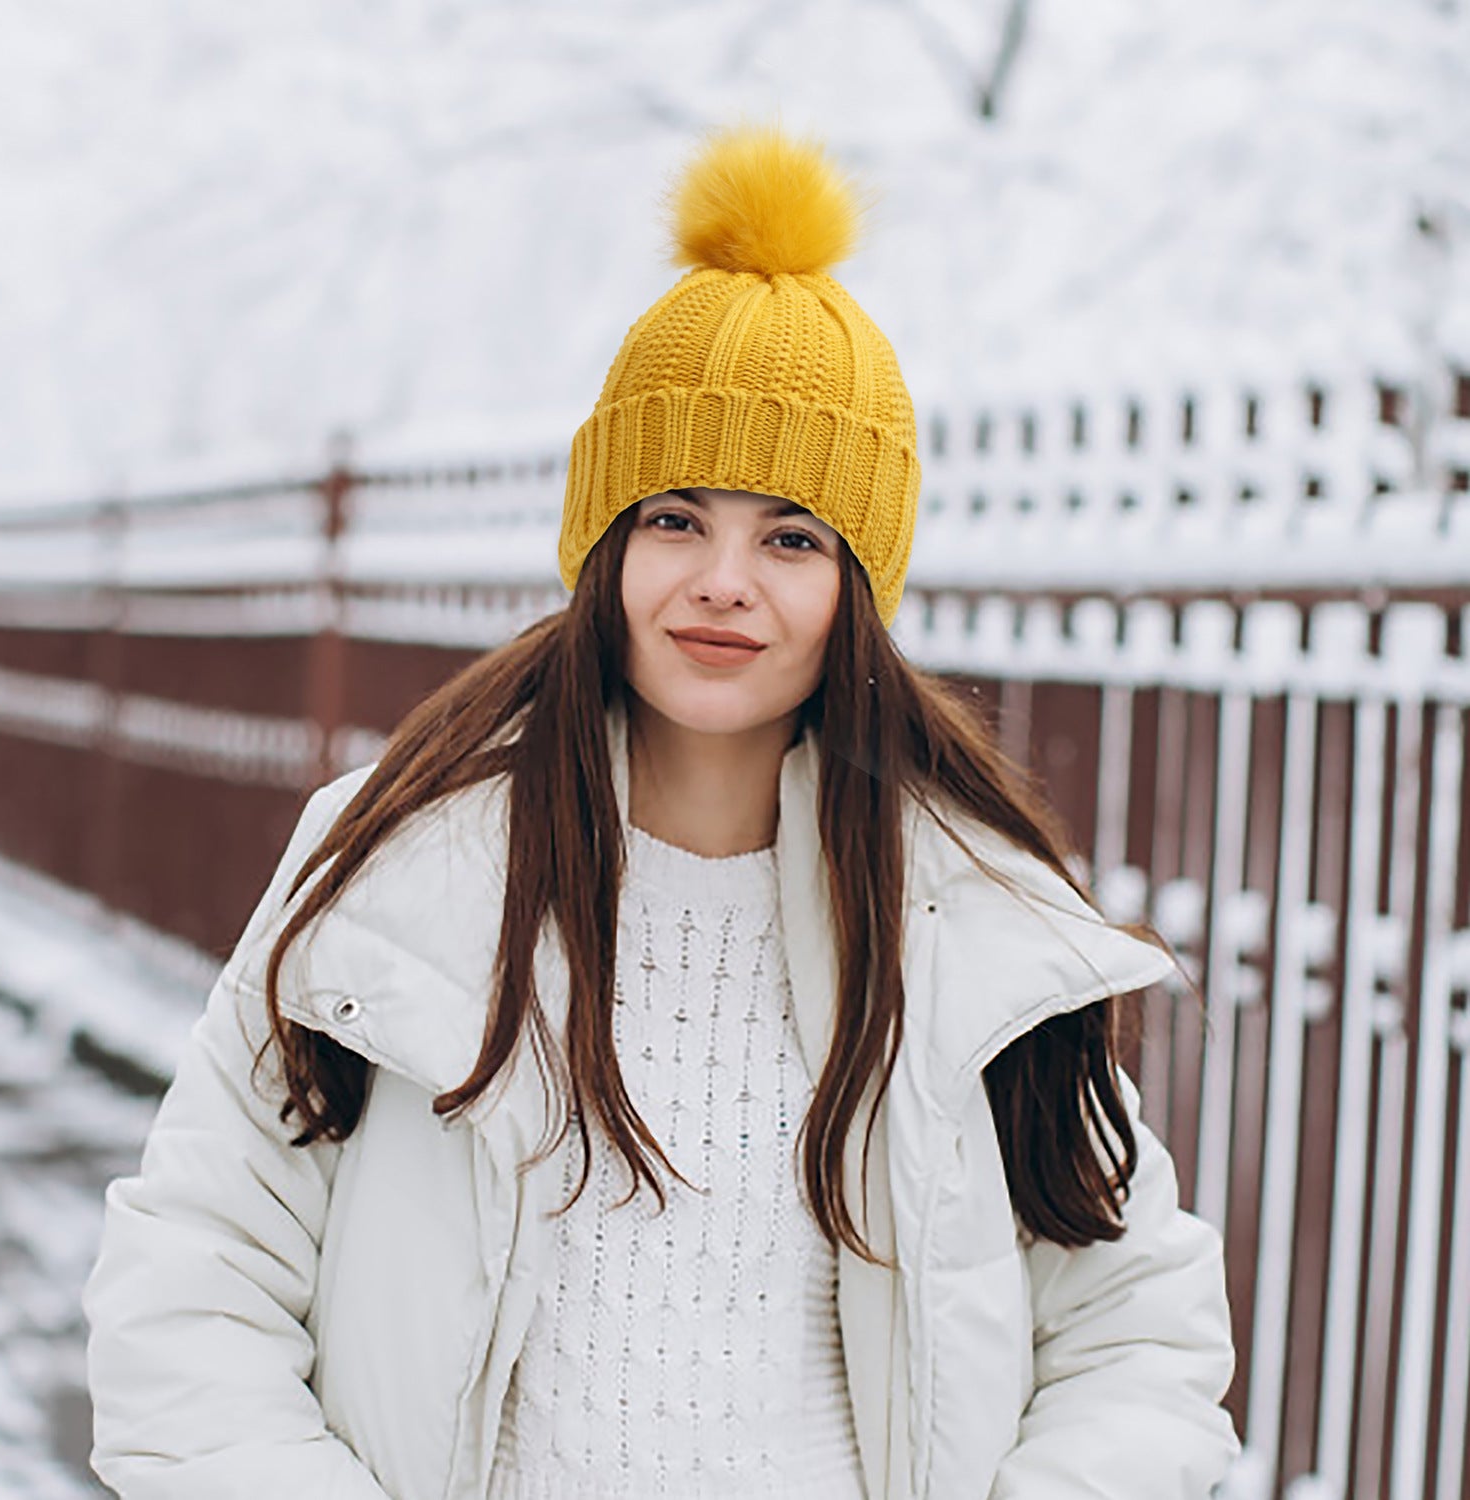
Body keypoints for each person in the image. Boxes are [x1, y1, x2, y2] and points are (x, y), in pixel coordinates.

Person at [83, 124, 1241, 1500]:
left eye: (792, 537)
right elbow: (196, 1280)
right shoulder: (402, 870)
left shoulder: (970, 924)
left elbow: (1136, 1332)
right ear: (605, 543)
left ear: (858, 584)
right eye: (676, 519)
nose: (724, 582)